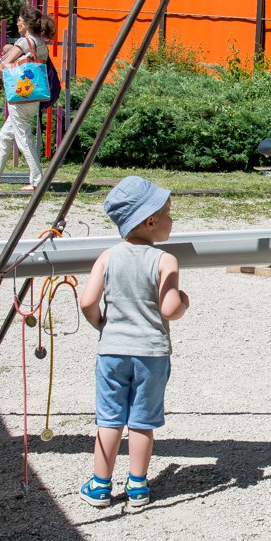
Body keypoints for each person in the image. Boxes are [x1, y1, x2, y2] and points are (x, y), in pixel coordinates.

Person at [76, 176, 188, 509]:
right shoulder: (165, 260)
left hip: (112, 351)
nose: (172, 219)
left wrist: (102, 325)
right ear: (151, 221)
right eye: (168, 214)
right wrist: (184, 300)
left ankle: (100, 485)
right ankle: (138, 486)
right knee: (142, 421)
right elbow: (170, 309)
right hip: (151, 354)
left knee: (109, 419)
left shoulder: (107, 256)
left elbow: (87, 301)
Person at [0, 5, 53, 192]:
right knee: (5, 134)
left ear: (27, 24)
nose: (17, 23)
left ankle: (38, 181)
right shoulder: (41, 44)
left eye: (19, 20)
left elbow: (5, 65)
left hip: (19, 98)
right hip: (33, 96)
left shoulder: (24, 42)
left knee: (24, 140)